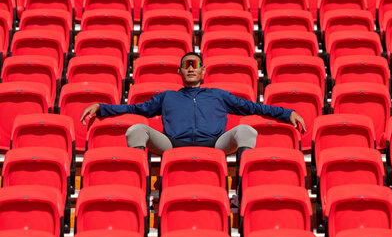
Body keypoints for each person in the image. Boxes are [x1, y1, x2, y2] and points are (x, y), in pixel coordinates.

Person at [80, 52, 306, 161]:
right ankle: (140, 186)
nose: (190, 69)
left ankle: (241, 191)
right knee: (136, 129)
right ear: (179, 71)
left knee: (246, 130)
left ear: (203, 70)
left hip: (215, 143)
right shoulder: (167, 97)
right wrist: (102, 108)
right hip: (173, 143)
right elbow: (136, 110)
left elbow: (253, 107)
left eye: (195, 65)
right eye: (186, 66)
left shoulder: (218, 95)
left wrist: (287, 113)